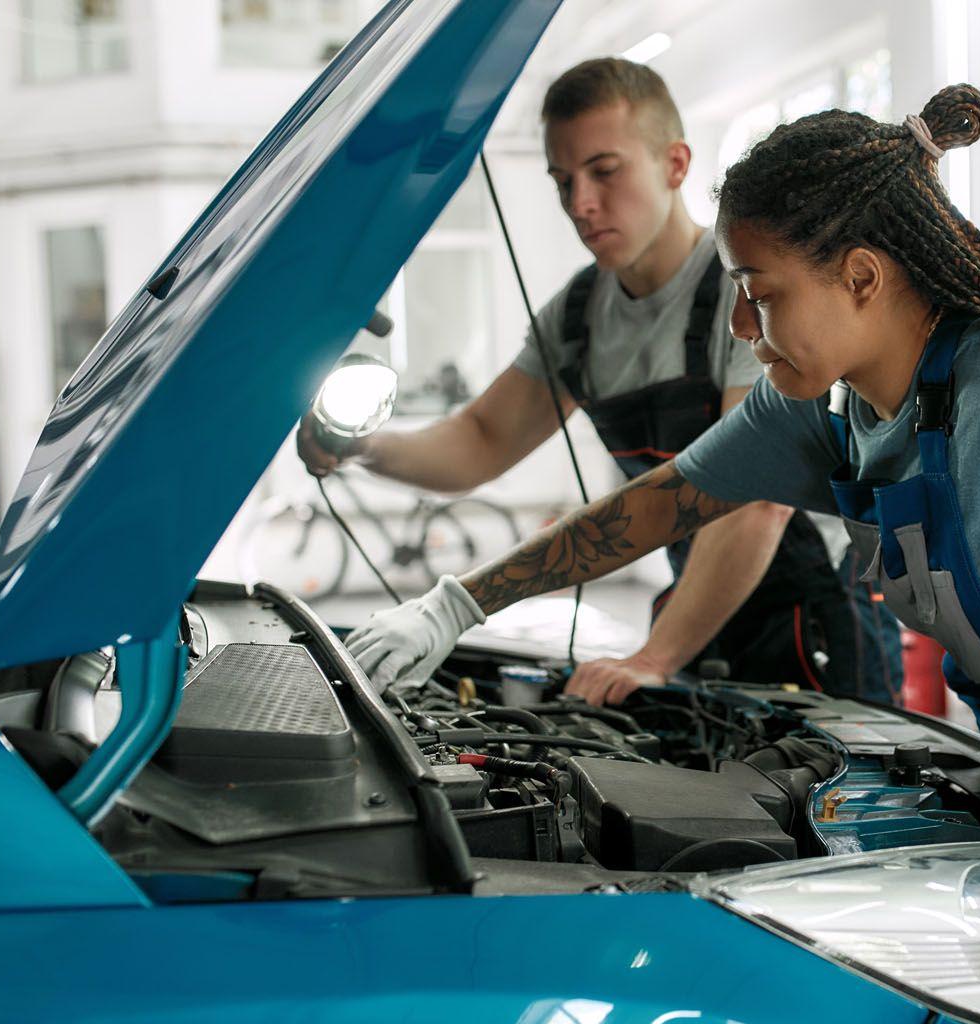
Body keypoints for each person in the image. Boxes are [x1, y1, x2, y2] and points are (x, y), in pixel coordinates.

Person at [342, 84, 980, 1024]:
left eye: (763, 291)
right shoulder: (825, 411)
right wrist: (462, 601)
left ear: (863, 278)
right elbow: (657, 504)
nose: (743, 325)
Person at [299, 57, 899, 706]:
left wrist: (653, 656)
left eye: (605, 172)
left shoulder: (751, 291)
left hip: (815, 626)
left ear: (674, 164)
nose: (581, 204)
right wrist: (360, 446)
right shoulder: (577, 317)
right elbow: (480, 438)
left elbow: (754, 499)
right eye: (563, 181)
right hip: (694, 621)